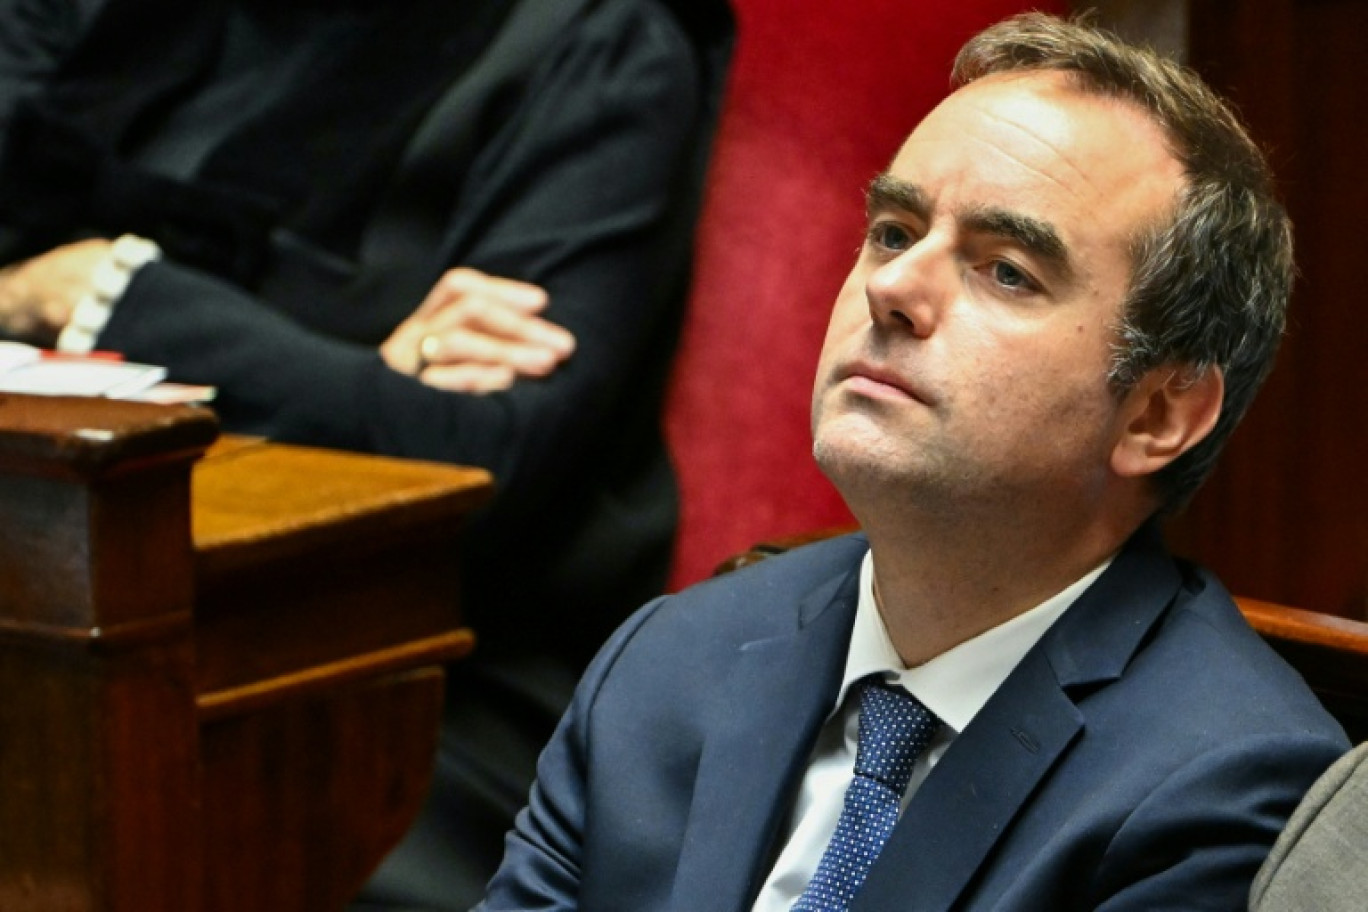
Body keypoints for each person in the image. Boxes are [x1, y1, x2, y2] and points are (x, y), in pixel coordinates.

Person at [475, 12, 1350, 912]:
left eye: (1006, 269)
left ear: (1159, 414)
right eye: (894, 231)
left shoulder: (1222, 795)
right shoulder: (671, 658)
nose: (890, 287)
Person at [0, 0, 733, 907]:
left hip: (422, 681)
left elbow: (477, 453)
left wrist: (107, 288)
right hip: (64, 616)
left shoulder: (600, 39)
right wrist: (354, 365)